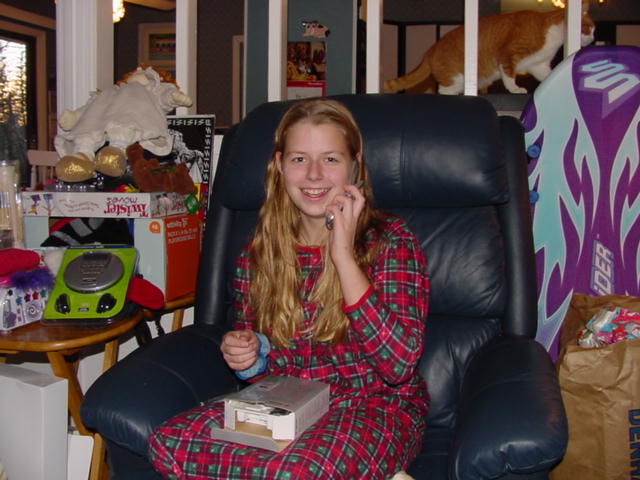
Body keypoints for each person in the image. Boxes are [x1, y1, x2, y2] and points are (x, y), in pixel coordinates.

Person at [149, 98, 430, 479]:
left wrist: (343, 257)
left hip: (375, 406)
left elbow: (398, 366)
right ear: (279, 165)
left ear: (355, 165)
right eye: (300, 159)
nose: (314, 175)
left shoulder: (391, 241)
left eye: (330, 159)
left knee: (294, 473)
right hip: (287, 404)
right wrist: (250, 354)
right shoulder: (259, 251)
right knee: (169, 442)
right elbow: (265, 371)